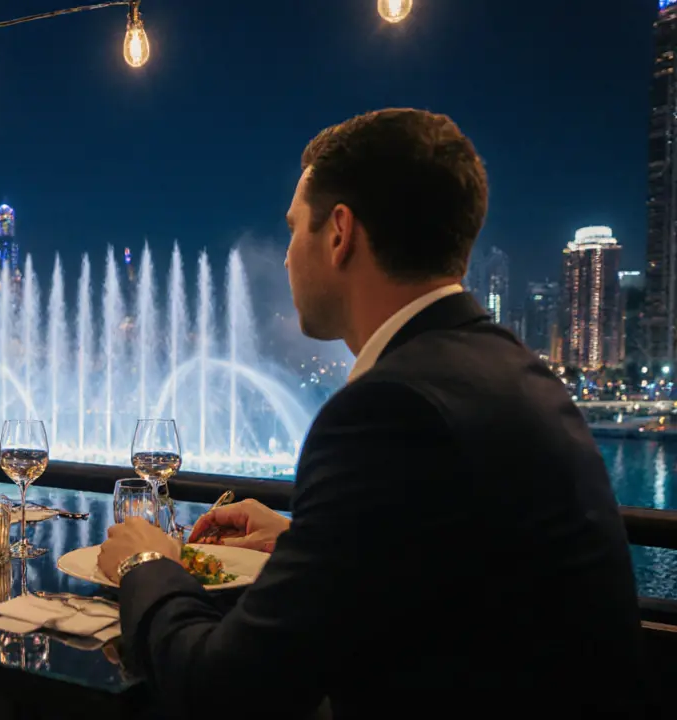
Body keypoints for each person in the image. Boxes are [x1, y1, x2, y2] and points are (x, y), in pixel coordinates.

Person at [97, 109, 646, 718]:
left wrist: (146, 564)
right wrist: (305, 544)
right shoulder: (513, 370)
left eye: (292, 230)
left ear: (339, 233)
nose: (283, 259)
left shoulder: (389, 410)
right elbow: (459, 592)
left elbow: (227, 692)